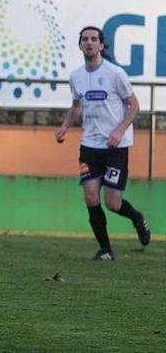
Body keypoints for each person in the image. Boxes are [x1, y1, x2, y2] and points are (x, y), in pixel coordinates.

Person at [55, 26, 151, 260]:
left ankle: (137, 218)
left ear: (101, 45)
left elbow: (134, 105)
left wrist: (119, 131)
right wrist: (65, 126)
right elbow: (76, 106)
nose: (89, 43)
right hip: (89, 146)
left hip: (115, 147)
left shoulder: (115, 73)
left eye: (93, 39)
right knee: (90, 197)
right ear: (80, 45)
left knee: (113, 203)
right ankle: (105, 250)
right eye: (85, 39)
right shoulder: (76, 76)